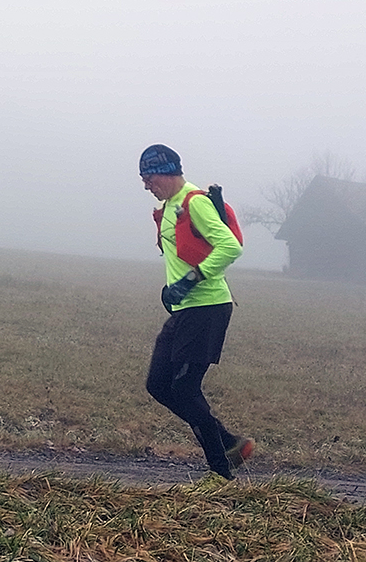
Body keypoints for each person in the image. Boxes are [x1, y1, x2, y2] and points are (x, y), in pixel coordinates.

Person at [139, 143, 255, 480]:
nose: (146, 186)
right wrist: (172, 290)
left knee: (185, 389)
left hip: (208, 308)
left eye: (149, 178)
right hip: (185, 310)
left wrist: (192, 279)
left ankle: (220, 472)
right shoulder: (171, 207)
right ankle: (230, 443)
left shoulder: (195, 202)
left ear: (166, 172)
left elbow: (230, 246)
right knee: (159, 384)